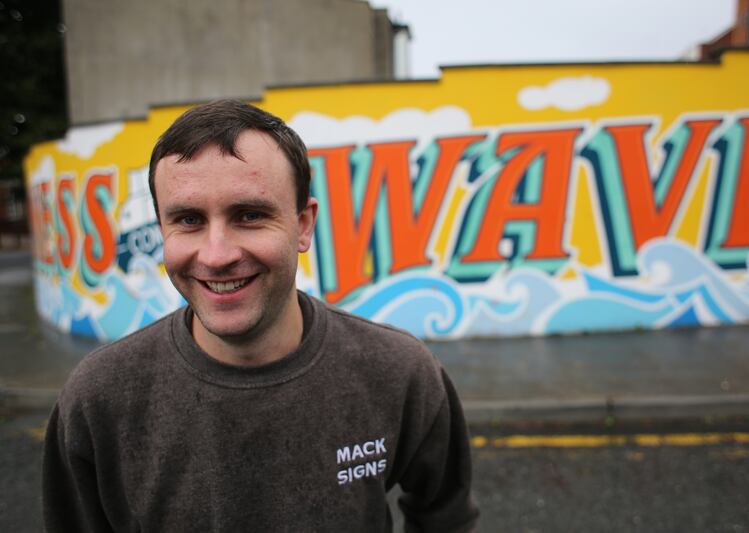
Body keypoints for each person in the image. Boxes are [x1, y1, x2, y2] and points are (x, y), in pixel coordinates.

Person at [42, 99, 479, 532]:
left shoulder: (399, 371)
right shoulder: (98, 400)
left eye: (250, 215)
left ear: (303, 225)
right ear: (162, 232)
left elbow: (447, 516)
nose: (216, 256)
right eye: (189, 220)